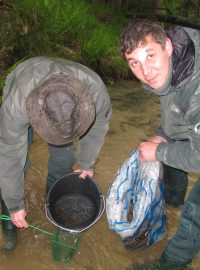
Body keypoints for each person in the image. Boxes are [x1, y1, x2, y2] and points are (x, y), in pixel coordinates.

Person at [0, 56, 111, 251]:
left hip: (67, 102)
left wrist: (86, 163)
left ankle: (51, 205)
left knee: (63, 159)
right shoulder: (16, 105)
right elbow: (8, 156)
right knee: (17, 166)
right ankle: (10, 225)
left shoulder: (95, 90)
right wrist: (15, 204)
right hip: (24, 83)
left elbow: (99, 124)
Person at [120, 19, 200, 270]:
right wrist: (162, 136)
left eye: (150, 56)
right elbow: (178, 114)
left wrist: (158, 150)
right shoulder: (173, 67)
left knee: (194, 215)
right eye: (135, 63)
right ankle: (172, 203)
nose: (145, 71)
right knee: (169, 153)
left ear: (167, 46)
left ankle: (170, 265)